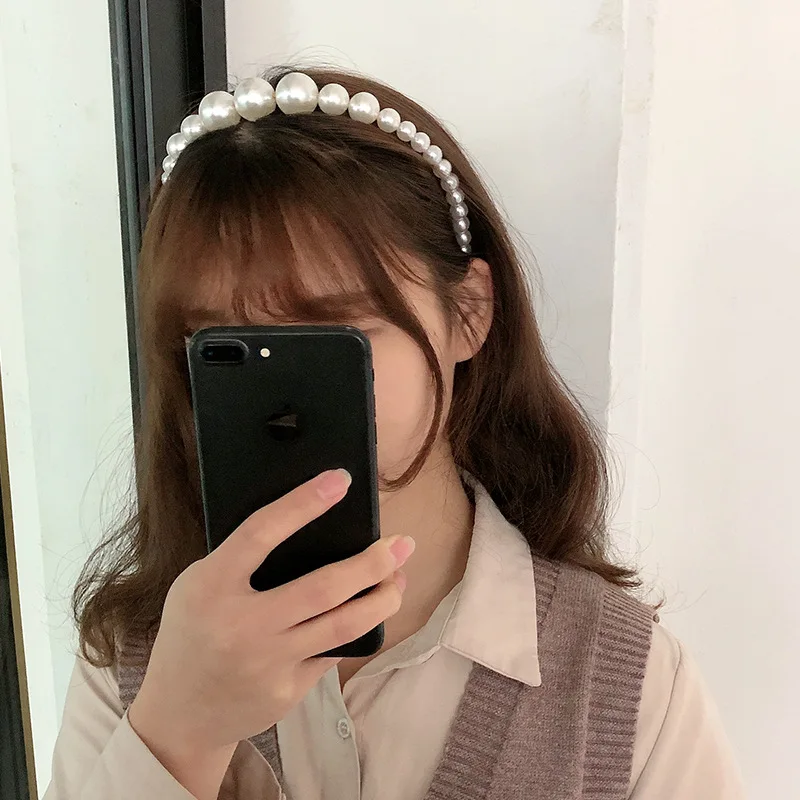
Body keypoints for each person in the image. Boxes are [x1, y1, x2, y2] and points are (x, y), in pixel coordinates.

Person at [44, 67, 744, 800]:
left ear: (468, 312)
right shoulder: (136, 657)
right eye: (223, 348)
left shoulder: (625, 685)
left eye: (333, 333)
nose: (279, 406)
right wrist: (178, 734)